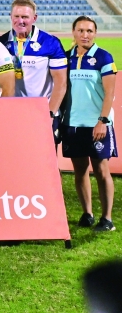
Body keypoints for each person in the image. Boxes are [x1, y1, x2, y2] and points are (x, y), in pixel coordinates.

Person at [63, 16, 116, 232]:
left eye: (90, 31)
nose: (85, 35)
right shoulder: (66, 58)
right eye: (81, 30)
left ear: (95, 33)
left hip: (97, 125)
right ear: (73, 32)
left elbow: (110, 93)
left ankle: (107, 219)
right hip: (73, 124)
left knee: (101, 170)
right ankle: (87, 214)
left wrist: (102, 121)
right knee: (80, 171)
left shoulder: (103, 57)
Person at [0, 0, 68, 137]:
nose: (20, 21)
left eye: (25, 17)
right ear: (11, 17)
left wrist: (51, 113)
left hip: (43, 112)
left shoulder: (50, 42)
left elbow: (61, 83)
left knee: (47, 156)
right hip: (14, 112)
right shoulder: (1, 43)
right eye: (16, 16)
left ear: (34, 18)